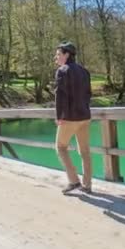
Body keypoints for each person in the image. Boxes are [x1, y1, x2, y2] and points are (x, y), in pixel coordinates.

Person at [54, 41, 93, 194]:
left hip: (69, 118)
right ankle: (87, 185)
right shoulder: (85, 71)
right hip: (85, 116)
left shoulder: (62, 71)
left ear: (66, 55)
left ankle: (74, 181)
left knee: (60, 147)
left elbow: (59, 96)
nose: (56, 58)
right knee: (85, 151)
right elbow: (88, 94)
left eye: (58, 54)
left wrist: (59, 116)